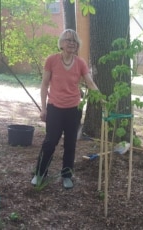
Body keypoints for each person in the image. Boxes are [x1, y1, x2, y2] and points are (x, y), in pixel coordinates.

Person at [31, 29, 99, 189]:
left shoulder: (80, 63)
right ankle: (40, 173)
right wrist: (43, 108)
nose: (72, 43)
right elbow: (44, 84)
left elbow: (90, 83)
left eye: (75, 41)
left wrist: (101, 98)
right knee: (50, 142)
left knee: (70, 144)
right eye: (69, 40)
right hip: (54, 108)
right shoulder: (51, 60)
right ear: (61, 43)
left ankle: (67, 175)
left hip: (73, 109)